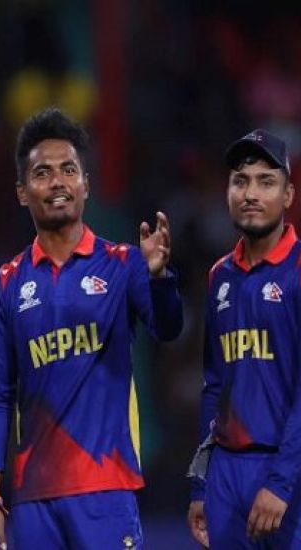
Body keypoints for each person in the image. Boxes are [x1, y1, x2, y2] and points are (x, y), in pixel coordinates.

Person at [0, 108, 183, 550]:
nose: (57, 182)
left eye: (68, 170)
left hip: (106, 489)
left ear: (86, 185)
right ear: (21, 192)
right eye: (43, 173)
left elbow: (168, 328)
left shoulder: (123, 264)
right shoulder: (6, 285)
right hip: (33, 499)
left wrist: (161, 278)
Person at [187, 129, 301, 548]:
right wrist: (201, 485)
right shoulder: (220, 276)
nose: (250, 193)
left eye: (265, 182)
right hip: (226, 478)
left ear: (288, 196)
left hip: (287, 474)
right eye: (240, 181)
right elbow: (213, 386)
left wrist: (281, 482)